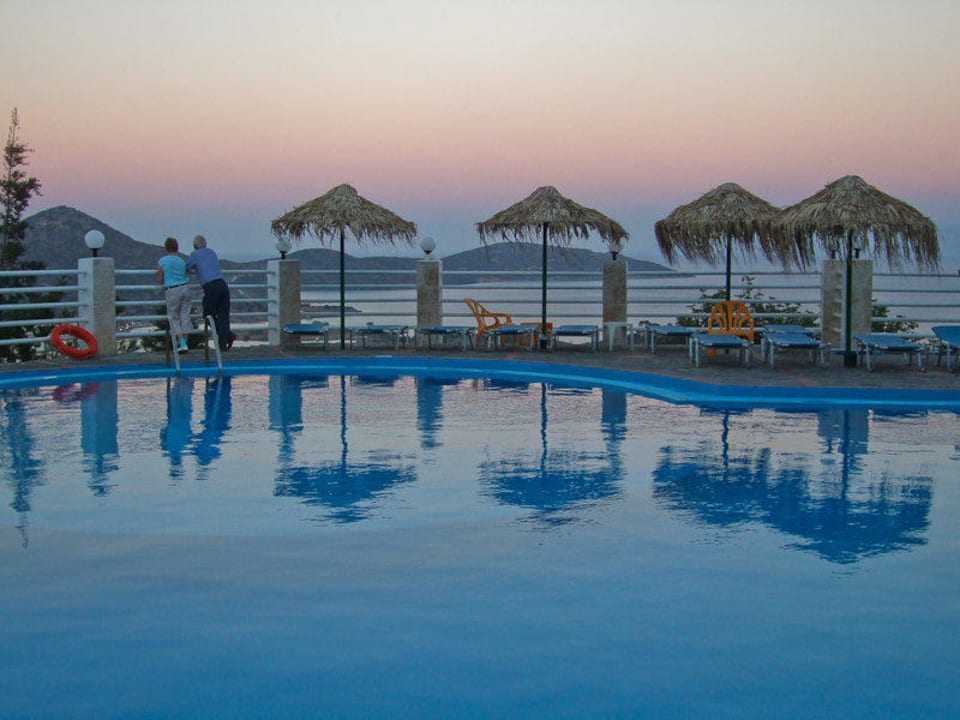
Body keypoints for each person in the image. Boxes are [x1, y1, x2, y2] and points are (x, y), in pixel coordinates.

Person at [186, 234, 235, 351]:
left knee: (208, 315)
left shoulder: (194, 255)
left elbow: (187, 268)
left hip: (211, 287)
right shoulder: (212, 252)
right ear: (205, 244)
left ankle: (228, 335)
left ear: (194, 246)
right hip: (223, 284)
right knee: (223, 315)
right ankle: (223, 344)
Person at [156, 237, 191, 353]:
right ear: (177, 248)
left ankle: (182, 342)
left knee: (173, 317)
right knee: (185, 315)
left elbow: (160, 277)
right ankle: (185, 342)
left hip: (172, 290)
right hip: (185, 288)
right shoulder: (181, 261)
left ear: (166, 248)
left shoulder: (163, 261)